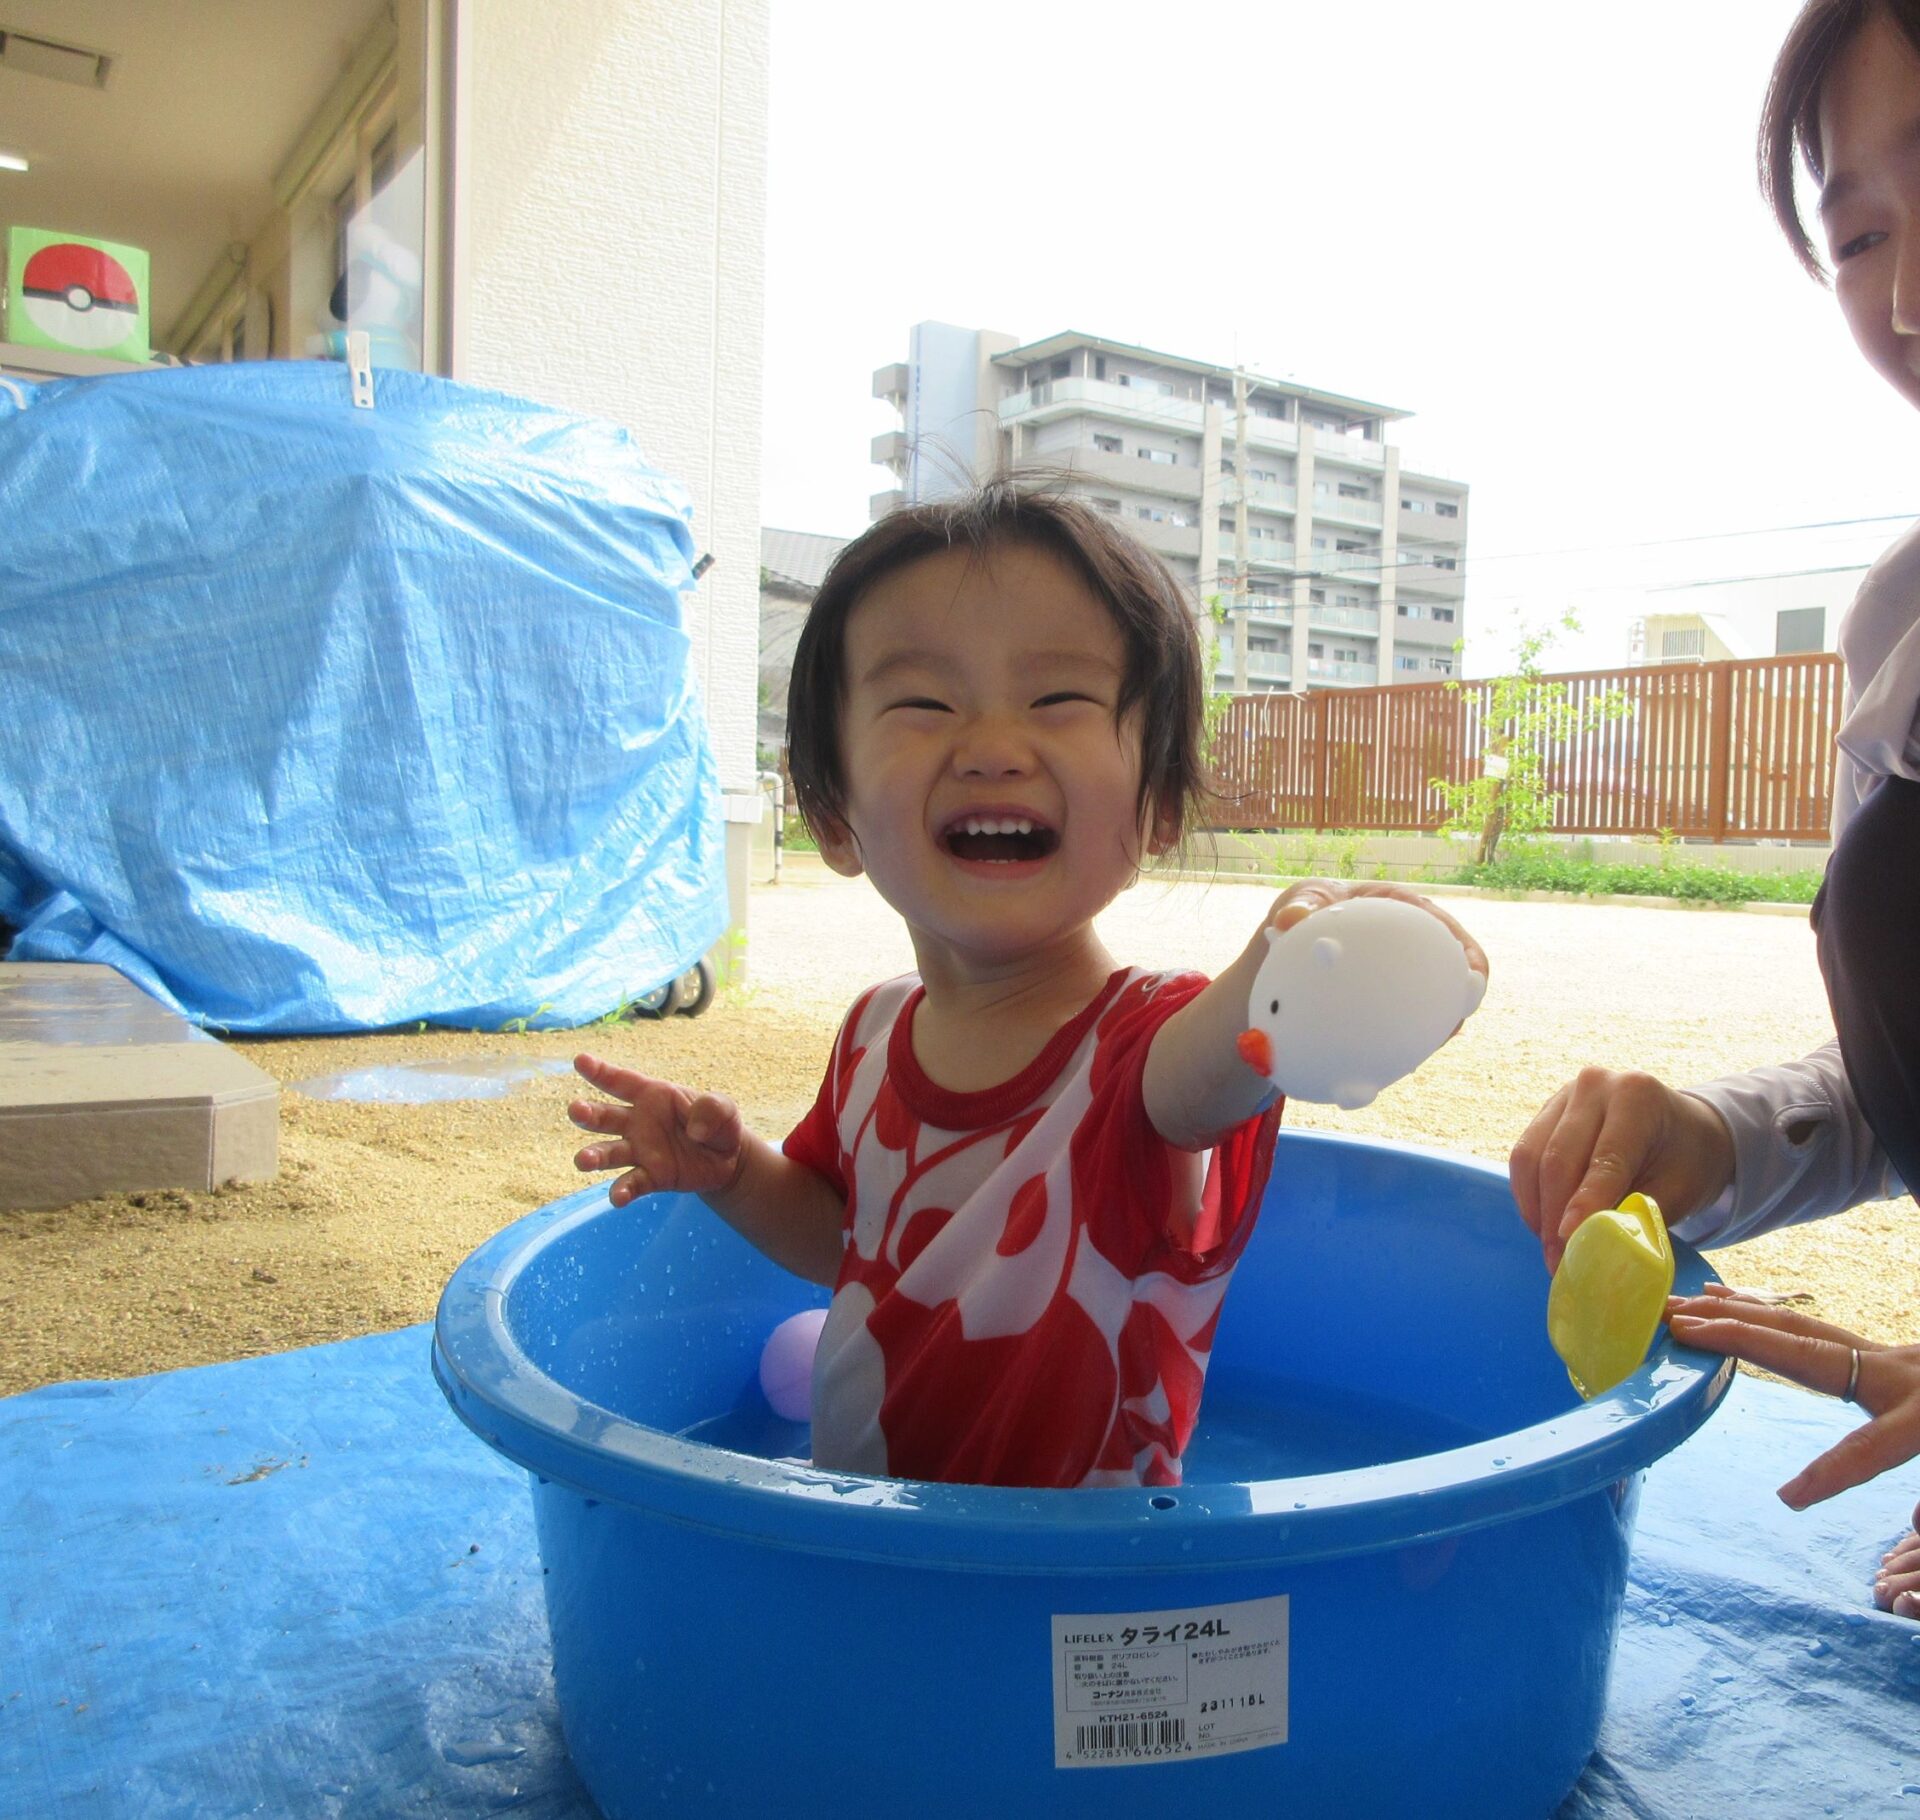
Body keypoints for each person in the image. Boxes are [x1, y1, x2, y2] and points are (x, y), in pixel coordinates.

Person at [569, 479, 1485, 1490]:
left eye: (1060, 701)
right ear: (832, 814)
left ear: (1158, 804)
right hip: (861, 1531)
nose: (995, 748)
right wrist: (735, 1173)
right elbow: (850, 1243)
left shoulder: (1148, 1042)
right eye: (924, 703)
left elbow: (1214, 1070)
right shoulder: (872, 1032)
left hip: (1075, 1575)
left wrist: (1291, 971)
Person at [1509, 0, 1920, 1620]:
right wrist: (1715, 1139)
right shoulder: (1899, 626)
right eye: (1863, 234)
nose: (1906, 297)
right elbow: (1903, 1085)